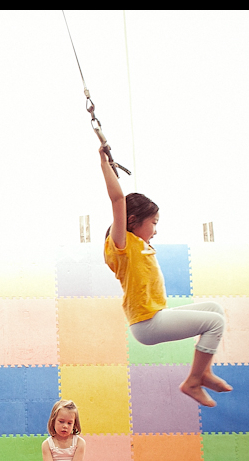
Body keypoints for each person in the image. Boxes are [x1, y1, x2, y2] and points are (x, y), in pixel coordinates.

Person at [100, 145, 232, 407]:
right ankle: (193, 381)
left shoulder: (138, 245)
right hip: (146, 323)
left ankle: (203, 373)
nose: (156, 230)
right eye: (154, 223)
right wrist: (104, 163)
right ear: (133, 220)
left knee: (215, 309)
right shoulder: (121, 245)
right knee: (215, 323)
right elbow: (117, 200)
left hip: (154, 316)